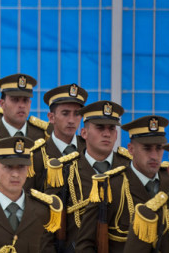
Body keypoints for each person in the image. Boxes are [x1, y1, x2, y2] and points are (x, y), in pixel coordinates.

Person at [76, 115, 169, 253]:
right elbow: (85, 244)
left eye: (158, 148)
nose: (154, 155)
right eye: (147, 148)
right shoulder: (110, 186)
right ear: (131, 149)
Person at [56, 100, 130, 250]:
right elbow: (49, 227)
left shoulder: (128, 169)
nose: (106, 133)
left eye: (111, 129)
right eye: (100, 128)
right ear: (84, 133)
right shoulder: (65, 171)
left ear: (116, 135)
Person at [0, 72, 49, 167]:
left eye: (25, 100)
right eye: (15, 100)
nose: (21, 105)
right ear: (2, 103)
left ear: (30, 103)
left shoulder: (42, 135)